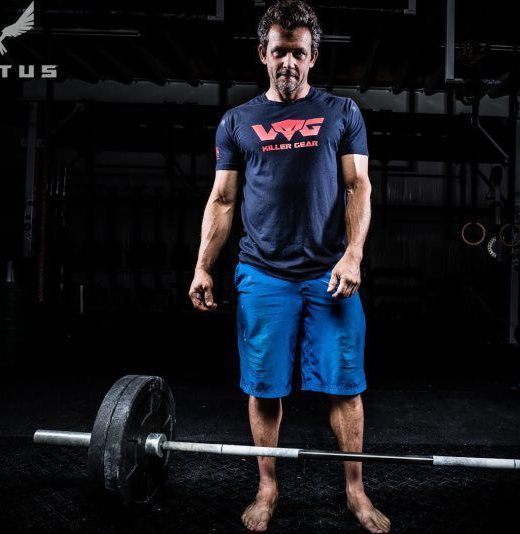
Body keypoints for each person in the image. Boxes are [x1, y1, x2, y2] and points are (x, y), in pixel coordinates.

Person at [188, 1, 390, 532]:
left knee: (346, 386)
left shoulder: (343, 113)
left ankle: (356, 491)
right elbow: (223, 199)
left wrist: (353, 255)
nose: (289, 62)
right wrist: (203, 265)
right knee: (264, 386)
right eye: (279, 51)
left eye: (298, 53)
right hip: (263, 274)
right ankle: (268, 488)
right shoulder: (238, 121)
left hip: (329, 273)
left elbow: (357, 186)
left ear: (313, 56)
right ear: (263, 54)